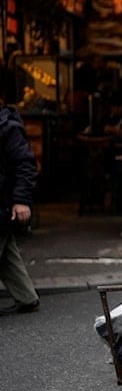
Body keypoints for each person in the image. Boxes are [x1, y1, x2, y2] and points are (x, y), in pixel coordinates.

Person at [0, 101, 40, 315]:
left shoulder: (7, 127)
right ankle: (27, 298)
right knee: (6, 254)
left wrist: (21, 200)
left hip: (4, 202)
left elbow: (25, 164)